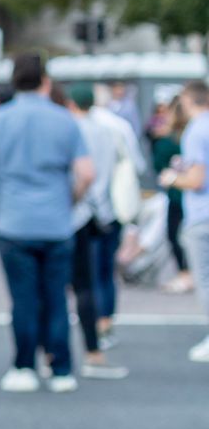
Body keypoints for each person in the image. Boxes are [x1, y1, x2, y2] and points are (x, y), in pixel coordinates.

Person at [0, 55, 93, 393]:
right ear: (45, 82)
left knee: (22, 299)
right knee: (56, 297)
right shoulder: (65, 120)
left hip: (13, 223)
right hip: (56, 222)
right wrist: (70, 199)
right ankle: (61, 367)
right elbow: (86, 173)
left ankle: (23, 365)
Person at [62, 85, 130, 378]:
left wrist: (74, 198)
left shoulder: (69, 130)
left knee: (64, 285)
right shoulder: (107, 129)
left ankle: (55, 351)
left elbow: (80, 174)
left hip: (75, 211)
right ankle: (100, 332)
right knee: (99, 276)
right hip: (103, 210)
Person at [158, 80, 209, 361]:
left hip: (202, 215)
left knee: (205, 279)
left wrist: (172, 178)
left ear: (188, 100)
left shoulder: (196, 130)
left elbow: (197, 179)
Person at [152, 99, 194, 294]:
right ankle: (188, 273)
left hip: (180, 195)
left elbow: (159, 167)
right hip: (191, 196)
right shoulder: (193, 135)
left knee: (175, 234)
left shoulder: (168, 141)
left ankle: (186, 273)